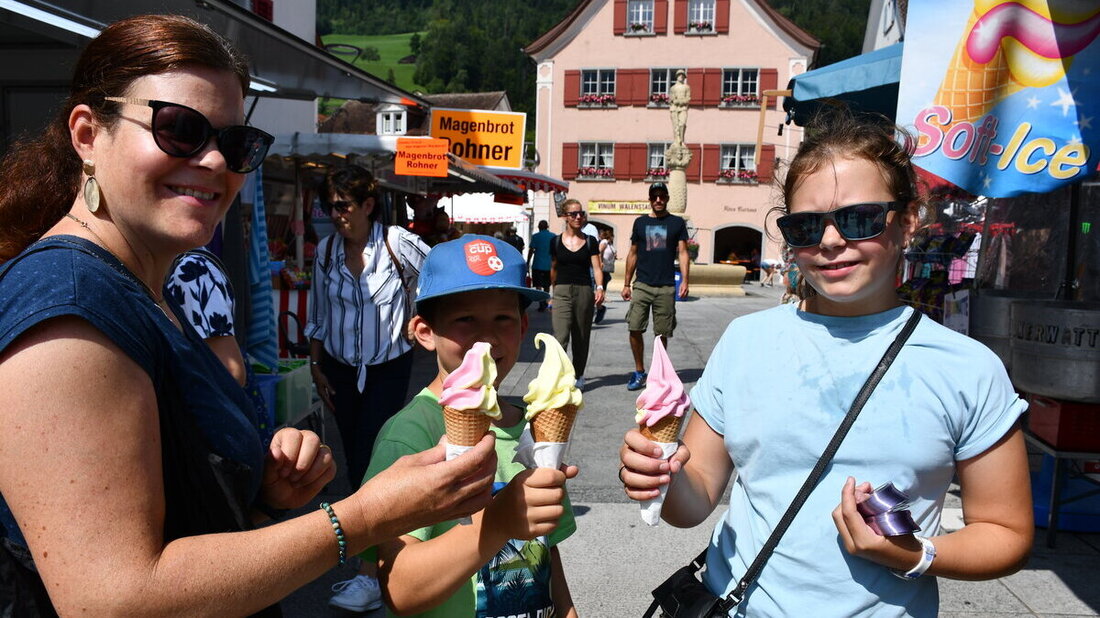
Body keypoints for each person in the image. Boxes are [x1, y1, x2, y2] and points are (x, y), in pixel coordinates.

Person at [0, 16, 496, 616]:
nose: (215, 162)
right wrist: (366, 516)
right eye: (179, 129)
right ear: (87, 135)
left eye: (237, 145)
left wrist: (258, 496)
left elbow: (175, 524)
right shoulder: (69, 303)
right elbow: (115, 599)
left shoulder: (147, 288)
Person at [619, 111, 1032, 616]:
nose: (832, 241)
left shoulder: (967, 369)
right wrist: (662, 478)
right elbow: (697, 496)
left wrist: (914, 554)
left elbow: (1006, 532)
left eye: (860, 219)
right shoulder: (745, 342)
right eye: (806, 226)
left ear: (906, 222)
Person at [364, 235, 578, 617]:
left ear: (524, 325)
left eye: (503, 319)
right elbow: (398, 590)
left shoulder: (531, 428)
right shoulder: (411, 436)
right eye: (466, 320)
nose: (487, 338)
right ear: (425, 332)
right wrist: (497, 523)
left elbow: (546, 550)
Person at [621, 181, 690, 391]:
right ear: (650, 199)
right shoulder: (640, 223)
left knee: (662, 333)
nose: (658, 200)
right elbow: (632, 253)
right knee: (634, 327)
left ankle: (658, 374)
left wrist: (685, 280)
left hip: (666, 285)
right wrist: (626, 283)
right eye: (654, 196)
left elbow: (683, 252)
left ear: (667, 198)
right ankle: (640, 371)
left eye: (661, 196)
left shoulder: (677, 223)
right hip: (641, 283)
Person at [551, 199, 605, 390]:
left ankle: (578, 374)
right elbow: (554, 268)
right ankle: (558, 375)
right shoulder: (555, 241)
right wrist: (552, 292)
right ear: (565, 216)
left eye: (580, 213)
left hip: (584, 290)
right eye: (573, 214)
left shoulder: (590, 241)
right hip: (562, 291)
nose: (578, 217)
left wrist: (599, 287)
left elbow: (597, 267)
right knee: (560, 336)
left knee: (581, 336)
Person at [528, 219, 554, 311]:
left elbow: (531, 250)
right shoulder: (553, 236)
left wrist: (527, 262)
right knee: (547, 285)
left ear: (539, 227)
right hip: (549, 265)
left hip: (537, 264)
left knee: (538, 284)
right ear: (547, 227)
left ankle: (541, 302)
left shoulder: (536, 236)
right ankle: (546, 300)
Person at [595, 228, 617, 324]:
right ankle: (600, 307)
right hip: (602, 268)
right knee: (600, 287)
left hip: (606, 269)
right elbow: (599, 252)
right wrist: (600, 262)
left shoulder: (610, 244)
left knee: (602, 287)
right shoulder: (604, 242)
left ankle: (600, 306)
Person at [669, 69, 691, 146]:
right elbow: (671, 99)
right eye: (679, 75)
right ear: (677, 77)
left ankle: (681, 140)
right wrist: (674, 101)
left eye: (682, 75)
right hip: (674, 108)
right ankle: (676, 141)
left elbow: (688, 99)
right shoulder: (673, 88)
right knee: (676, 126)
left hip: (683, 108)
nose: (681, 76)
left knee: (682, 124)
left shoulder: (687, 87)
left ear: (684, 77)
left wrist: (679, 102)